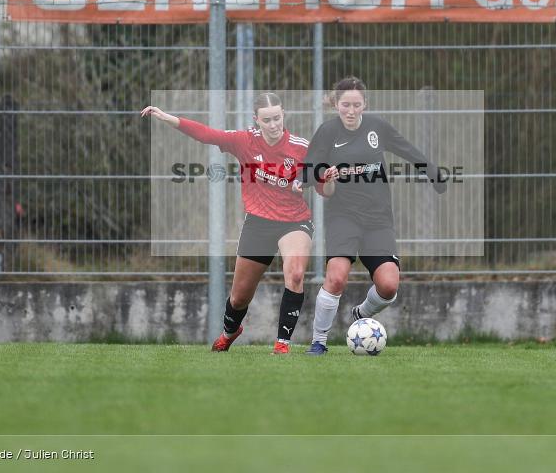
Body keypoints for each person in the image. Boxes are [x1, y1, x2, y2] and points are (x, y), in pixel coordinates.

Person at [141, 93, 312, 355]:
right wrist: (167, 118)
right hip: (258, 223)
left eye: (277, 118)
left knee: (296, 272)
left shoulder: (301, 146)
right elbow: (207, 134)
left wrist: (318, 181)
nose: (274, 124)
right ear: (257, 120)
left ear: (284, 115)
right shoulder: (244, 141)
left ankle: (282, 344)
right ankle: (230, 332)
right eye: (267, 120)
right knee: (239, 297)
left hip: (294, 221)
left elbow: (325, 185)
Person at [297, 77, 446, 355]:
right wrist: (308, 179)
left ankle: (360, 313)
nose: (351, 110)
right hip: (343, 216)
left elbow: (407, 149)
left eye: (356, 104)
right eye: (345, 105)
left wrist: (432, 172)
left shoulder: (377, 127)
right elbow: (309, 166)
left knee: (389, 286)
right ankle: (319, 341)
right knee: (337, 278)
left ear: (365, 104)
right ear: (336, 105)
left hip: (378, 219)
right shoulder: (328, 132)